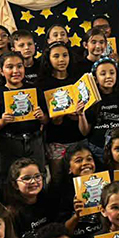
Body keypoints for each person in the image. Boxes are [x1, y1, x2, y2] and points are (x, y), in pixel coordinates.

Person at [0, 52, 48, 181]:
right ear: (1, 71)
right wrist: (2, 121)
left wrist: (42, 117)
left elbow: (47, 120)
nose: (16, 71)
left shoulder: (35, 90)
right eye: (10, 67)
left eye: (19, 66)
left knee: (38, 176)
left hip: (34, 140)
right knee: (9, 178)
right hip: (9, 143)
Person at [38, 41, 83, 182]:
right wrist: (57, 117)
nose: (61, 60)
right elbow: (44, 118)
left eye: (65, 55)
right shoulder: (42, 84)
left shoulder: (78, 80)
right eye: (56, 56)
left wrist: (78, 115)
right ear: (48, 59)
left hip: (78, 137)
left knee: (79, 177)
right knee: (57, 178)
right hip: (55, 138)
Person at [80, 58, 119, 164]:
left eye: (112, 73)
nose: (108, 76)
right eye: (103, 74)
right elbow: (85, 131)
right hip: (97, 148)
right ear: (96, 79)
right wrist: (81, 114)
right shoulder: (90, 99)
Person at [5, 158, 58, 238]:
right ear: (15, 184)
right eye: (27, 178)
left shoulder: (49, 201)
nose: (33, 181)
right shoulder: (11, 213)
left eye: (37, 176)